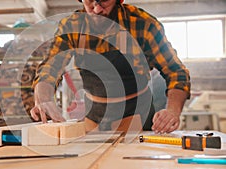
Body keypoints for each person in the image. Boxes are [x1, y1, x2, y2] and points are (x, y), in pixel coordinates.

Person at [30, 0, 190, 134]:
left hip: (136, 116)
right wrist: (43, 99)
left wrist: (172, 111)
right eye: (90, 1)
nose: (97, 9)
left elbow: (176, 72)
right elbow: (49, 67)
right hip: (94, 117)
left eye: (104, 1)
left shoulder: (142, 24)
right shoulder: (72, 26)